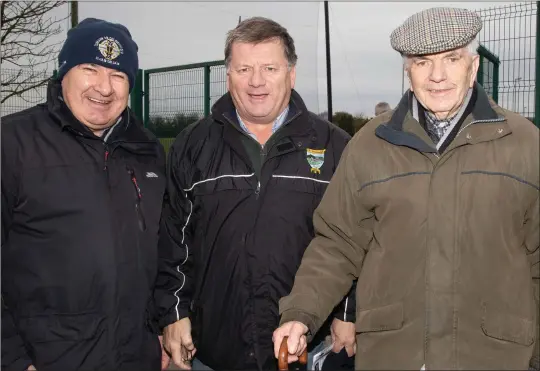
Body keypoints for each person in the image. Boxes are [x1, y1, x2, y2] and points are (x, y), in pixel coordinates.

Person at [273, 7, 539, 370]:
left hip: (495, 356)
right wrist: (301, 312)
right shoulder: (370, 145)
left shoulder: (525, 144)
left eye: (452, 58)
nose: (438, 75)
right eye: (422, 62)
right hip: (394, 355)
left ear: (473, 67)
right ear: (407, 70)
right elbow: (337, 243)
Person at [153, 17, 353, 371]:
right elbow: (173, 242)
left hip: (306, 348)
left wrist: (348, 312)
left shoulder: (335, 146)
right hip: (213, 350)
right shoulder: (193, 145)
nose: (256, 81)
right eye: (243, 68)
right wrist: (174, 313)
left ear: (290, 74)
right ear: (228, 75)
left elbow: (354, 240)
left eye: (269, 68)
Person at [1, 18, 167, 371]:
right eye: (90, 69)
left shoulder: (147, 150)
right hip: (46, 360)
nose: (103, 88)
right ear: (64, 74)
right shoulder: (12, 143)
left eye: (118, 76)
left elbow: (160, 252)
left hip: (136, 358)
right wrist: (12, 358)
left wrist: (160, 328)